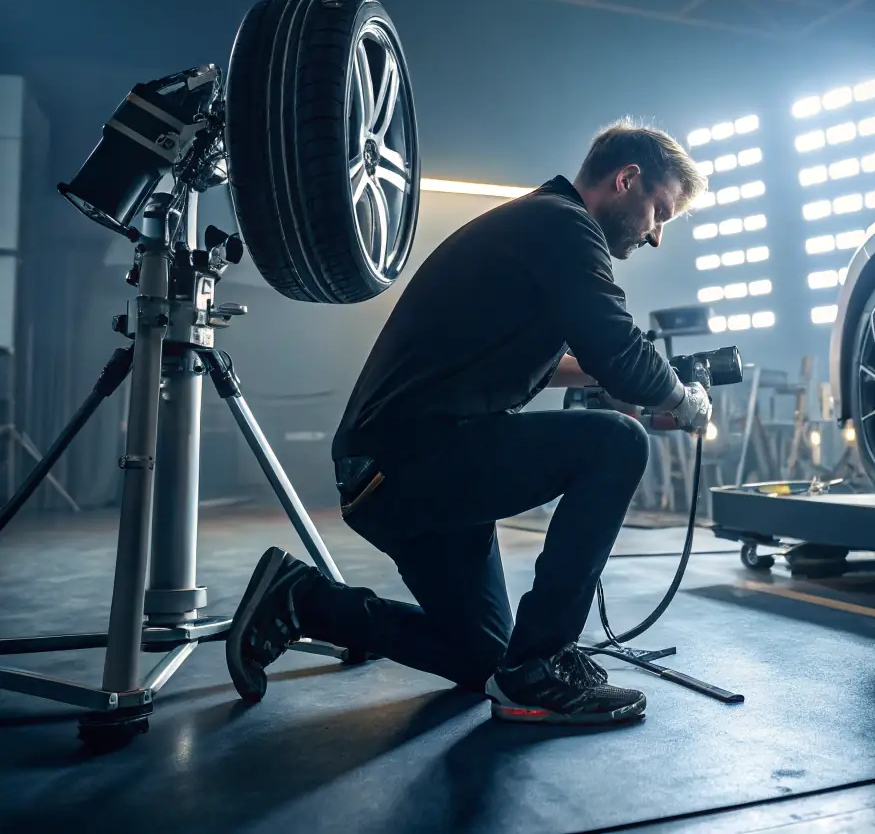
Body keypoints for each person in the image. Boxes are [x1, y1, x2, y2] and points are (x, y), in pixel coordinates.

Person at [225, 120, 712, 726]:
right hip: (410, 460)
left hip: (405, 464)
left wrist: (621, 383)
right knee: (616, 443)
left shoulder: (535, 226)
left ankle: (305, 601)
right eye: (659, 212)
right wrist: (682, 398)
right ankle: (541, 668)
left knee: (481, 658)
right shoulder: (562, 226)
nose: (656, 235)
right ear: (627, 179)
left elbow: (555, 363)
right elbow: (618, 347)